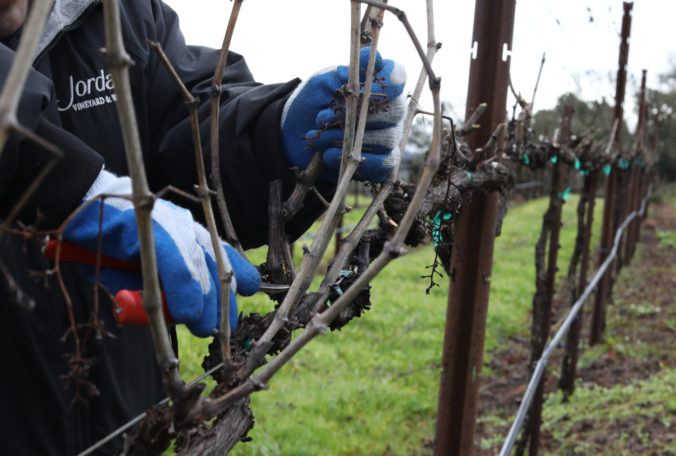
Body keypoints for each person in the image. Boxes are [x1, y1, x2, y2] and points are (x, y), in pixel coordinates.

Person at [0, 0, 406, 453]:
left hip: (125, 417)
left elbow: (187, 133)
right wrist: (72, 184)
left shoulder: (124, 16)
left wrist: (276, 139)